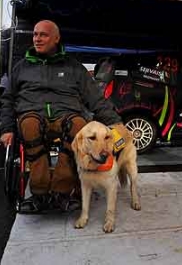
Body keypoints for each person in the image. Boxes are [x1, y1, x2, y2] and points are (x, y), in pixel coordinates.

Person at [0, 20, 127, 212]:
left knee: (79, 126)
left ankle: (61, 191)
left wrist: (116, 123)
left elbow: (95, 98)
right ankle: (40, 193)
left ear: (56, 38)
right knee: (29, 124)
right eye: (35, 34)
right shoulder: (22, 67)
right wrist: (7, 129)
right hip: (32, 114)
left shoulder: (74, 67)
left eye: (43, 35)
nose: (37, 38)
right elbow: (8, 99)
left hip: (66, 115)